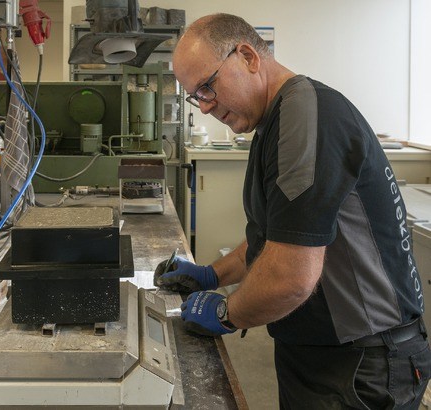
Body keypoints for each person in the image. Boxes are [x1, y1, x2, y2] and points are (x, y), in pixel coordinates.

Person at [154, 13, 431, 409]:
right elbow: (274, 241)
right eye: (195, 96)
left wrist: (228, 312)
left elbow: (291, 276)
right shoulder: (276, 120)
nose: (206, 106)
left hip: (361, 364)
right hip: (322, 351)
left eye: (208, 87)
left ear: (248, 56)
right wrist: (211, 275)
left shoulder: (304, 117)